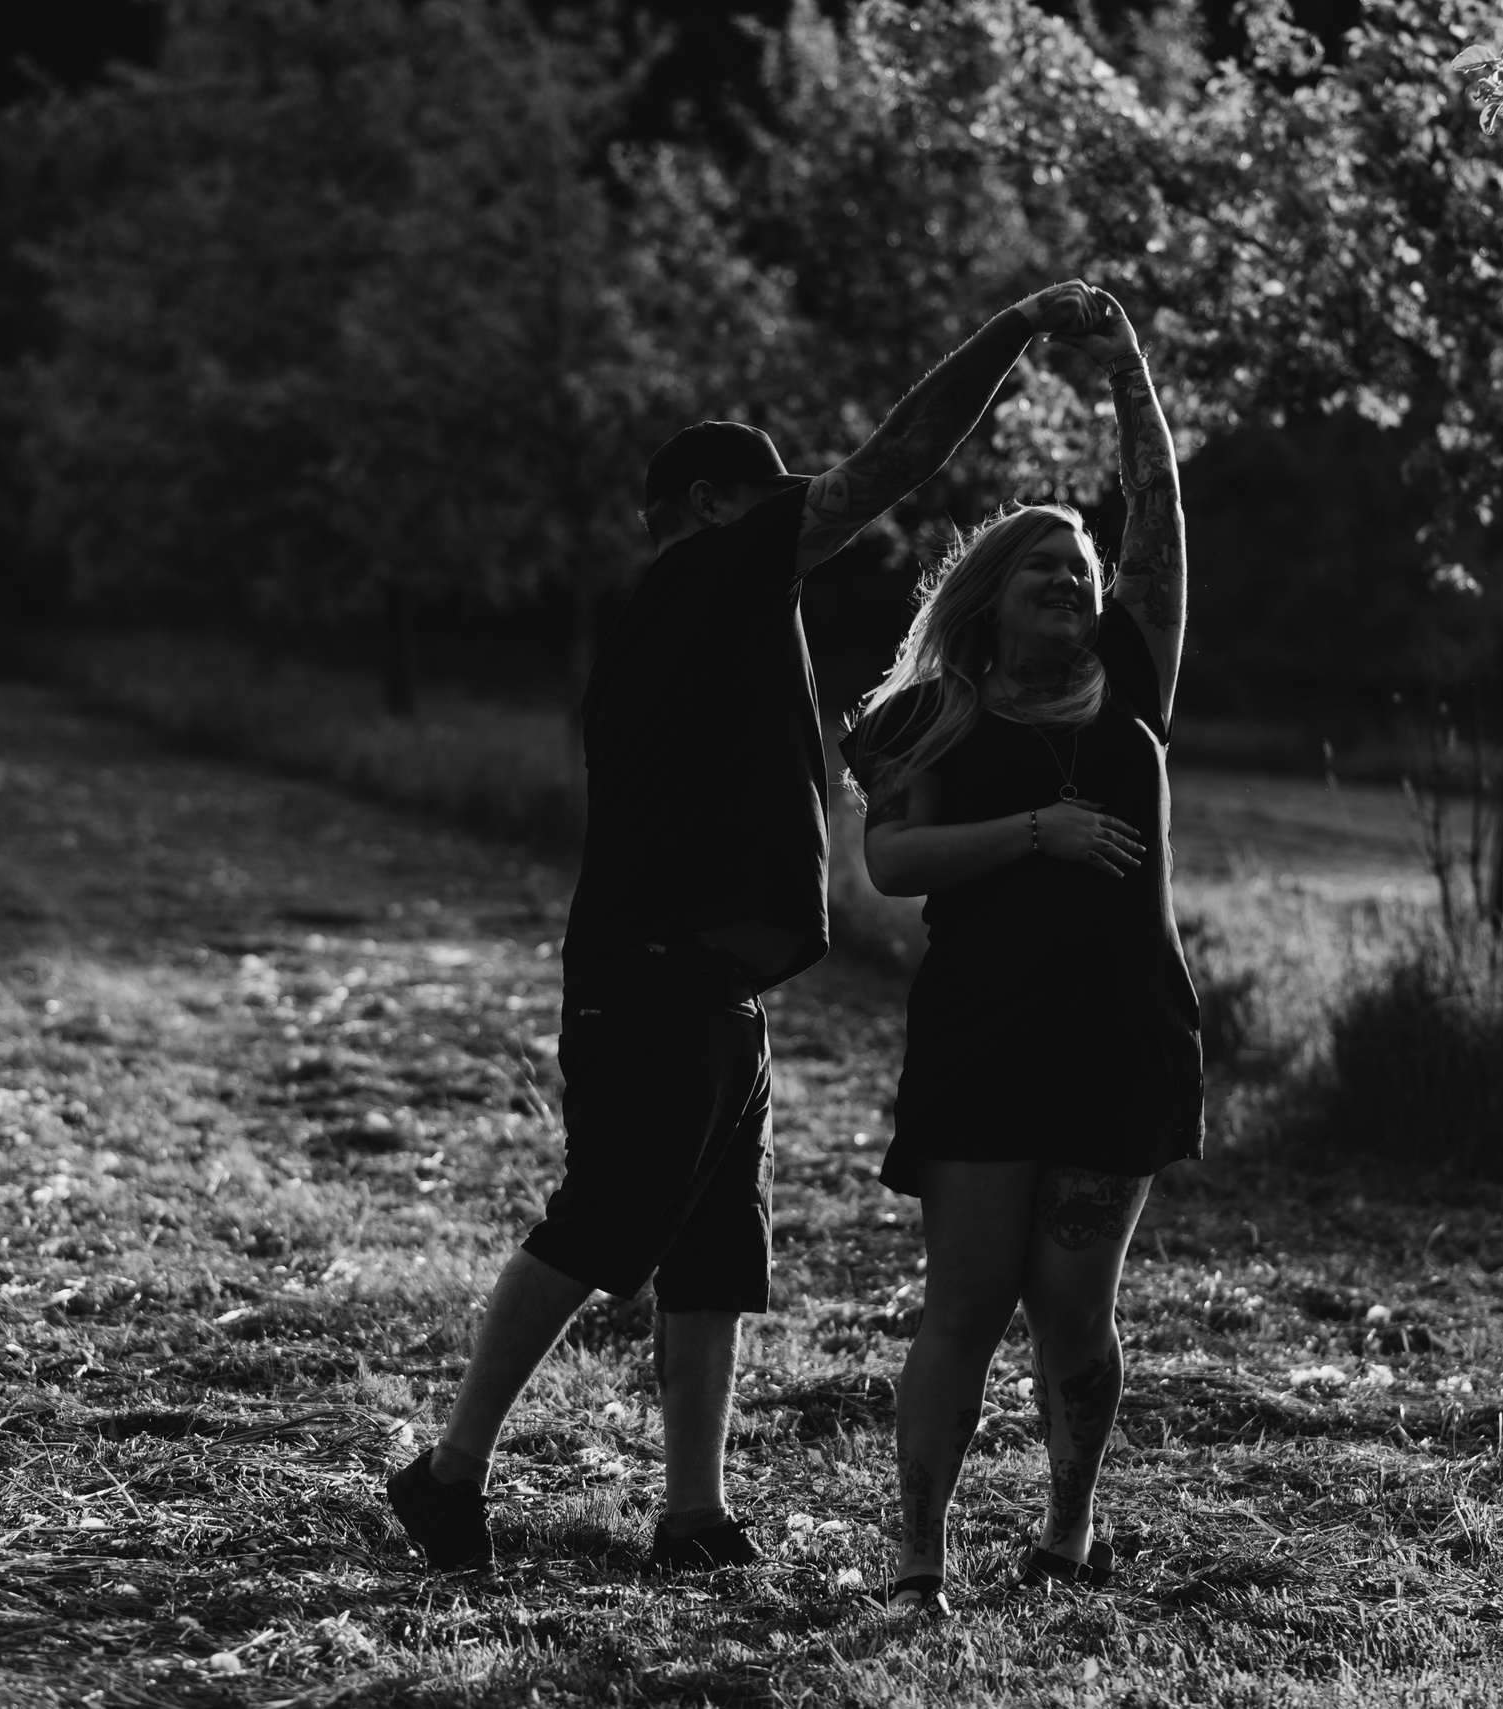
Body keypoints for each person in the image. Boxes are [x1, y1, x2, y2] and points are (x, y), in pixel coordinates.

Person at [384, 280, 1115, 1576]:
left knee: (716, 1254)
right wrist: (1013, 330)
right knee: (601, 1220)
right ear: (713, 505)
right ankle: (447, 1476)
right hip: (656, 978)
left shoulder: (704, 623)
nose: (801, 518)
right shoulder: (707, 573)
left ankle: (694, 1513)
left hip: (716, 989)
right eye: (776, 498)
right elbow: (895, 459)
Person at [839, 294, 1196, 1614]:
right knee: (968, 1302)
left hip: (1121, 1033)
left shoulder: (1134, 681)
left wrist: (1126, 370)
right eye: (1043, 566)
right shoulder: (933, 713)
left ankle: (1067, 1530)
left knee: (1075, 1307)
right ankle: (917, 1555)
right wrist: (1035, 831)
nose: (1072, 580)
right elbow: (893, 863)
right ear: (990, 595)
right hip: (983, 1035)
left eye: (1081, 569)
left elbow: (1159, 520)